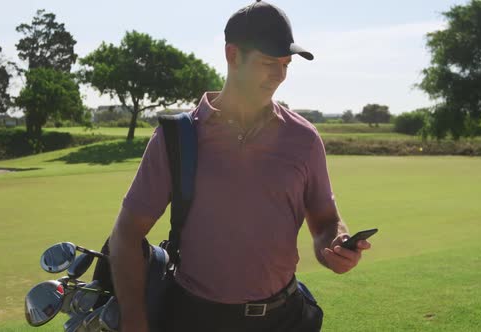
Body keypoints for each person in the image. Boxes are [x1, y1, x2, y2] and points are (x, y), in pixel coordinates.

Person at [108, 1, 372, 331]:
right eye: (268, 63)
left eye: (286, 64)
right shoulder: (175, 137)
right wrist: (134, 318)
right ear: (233, 55)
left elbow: (325, 222)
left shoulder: (303, 138)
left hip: (283, 318)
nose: (280, 76)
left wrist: (336, 245)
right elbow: (127, 234)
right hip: (195, 318)